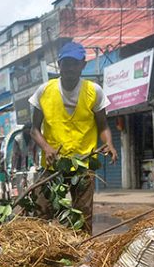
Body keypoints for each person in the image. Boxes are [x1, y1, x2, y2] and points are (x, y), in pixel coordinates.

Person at [29, 41, 118, 234]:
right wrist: (46, 148)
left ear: (82, 65)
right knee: (42, 211)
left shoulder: (94, 91)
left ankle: (82, 255)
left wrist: (109, 143)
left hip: (83, 164)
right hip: (54, 165)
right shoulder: (44, 91)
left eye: (74, 63)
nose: (69, 68)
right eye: (65, 63)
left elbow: (103, 126)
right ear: (59, 65)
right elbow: (34, 130)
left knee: (82, 216)